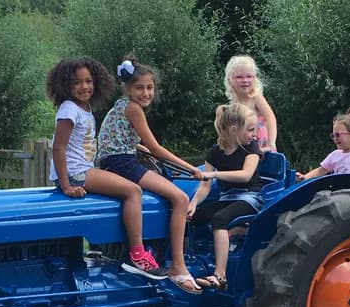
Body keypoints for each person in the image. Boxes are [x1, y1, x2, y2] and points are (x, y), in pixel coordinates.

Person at [46, 57, 166, 279]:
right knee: (133, 191)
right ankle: (138, 255)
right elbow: (58, 148)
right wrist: (66, 186)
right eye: (77, 83)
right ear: (65, 85)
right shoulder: (69, 109)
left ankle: (106, 248)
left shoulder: (84, 108)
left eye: (89, 81)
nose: (85, 87)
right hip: (76, 173)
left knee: (124, 189)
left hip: (83, 170)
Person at [97, 56, 203, 294]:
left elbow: (123, 140)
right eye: (139, 87)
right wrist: (190, 168)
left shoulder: (120, 105)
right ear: (127, 88)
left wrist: (144, 151)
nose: (146, 93)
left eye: (150, 87)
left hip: (113, 161)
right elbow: (155, 148)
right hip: (123, 164)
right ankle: (178, 265)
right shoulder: (134, 109)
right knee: (180, 199)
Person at [188, 103, 263, 290]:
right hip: (227, 197)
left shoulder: (251, 148)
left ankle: (220, 276)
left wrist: (214, 175)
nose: (255, 135)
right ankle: (184, 264)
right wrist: (193, 203)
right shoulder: (214, 153)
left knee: (219, 218)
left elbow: (245, 175)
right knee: (189, 218)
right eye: (251, 130)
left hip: (250, 197)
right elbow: (205, 186)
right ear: (234, 130)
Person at [296, 106, 350, 180]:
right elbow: (321, 170)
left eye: (338, 135)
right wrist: (306, 177)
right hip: (339, 194)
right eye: (333, 135)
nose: (335, 138)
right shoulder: (335, 155)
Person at [224, 55, 277, 153]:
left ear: (255, 78)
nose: (245, 81)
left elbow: (270, 118)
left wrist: (271, 143)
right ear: (230, 80)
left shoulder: (255, 97)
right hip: (245, 145)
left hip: (261, 145)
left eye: (249, 76)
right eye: (239, 77)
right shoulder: (234, 103)